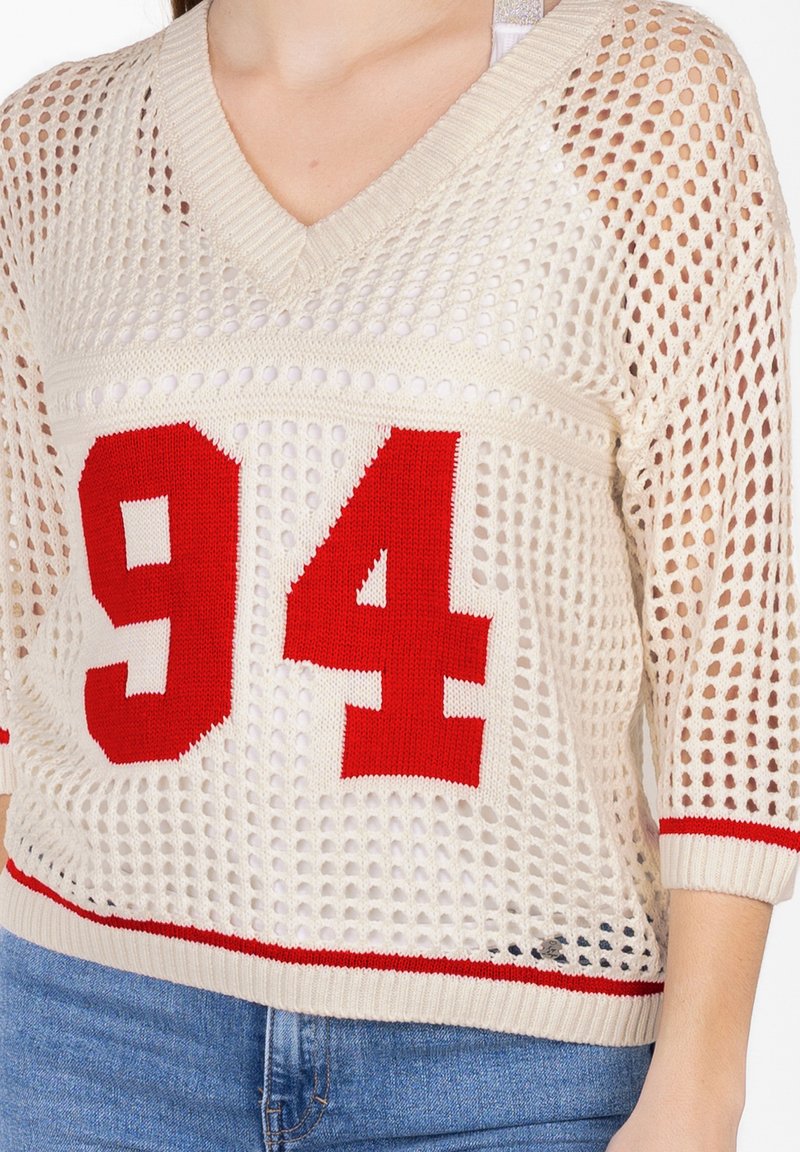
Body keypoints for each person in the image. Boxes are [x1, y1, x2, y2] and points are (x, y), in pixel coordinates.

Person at [0, 0, 797, 1148]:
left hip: (512, 1053)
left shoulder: (635, 97)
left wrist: (701, 1083)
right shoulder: (52, 141)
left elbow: (728, 631)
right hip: (84, 1024)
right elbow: (22, 609)